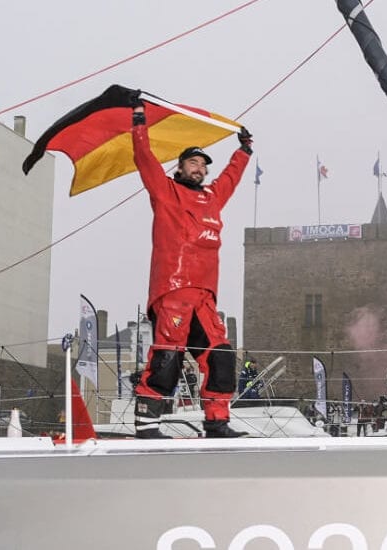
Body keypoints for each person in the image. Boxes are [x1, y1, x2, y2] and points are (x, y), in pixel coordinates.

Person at [130, 93, 254, 439]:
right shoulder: (165, 191)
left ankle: (216, 422)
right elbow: (144, 158)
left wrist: (244, 149)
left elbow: (231, 176)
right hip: (172, 290)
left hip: (204, 295)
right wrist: (138, 118)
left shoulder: (212, 198)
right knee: (168, 356)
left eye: (203, 165)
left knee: (222, 357)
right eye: (192, 163)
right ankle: (147, 424)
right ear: (180, 167)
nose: (199, 168)